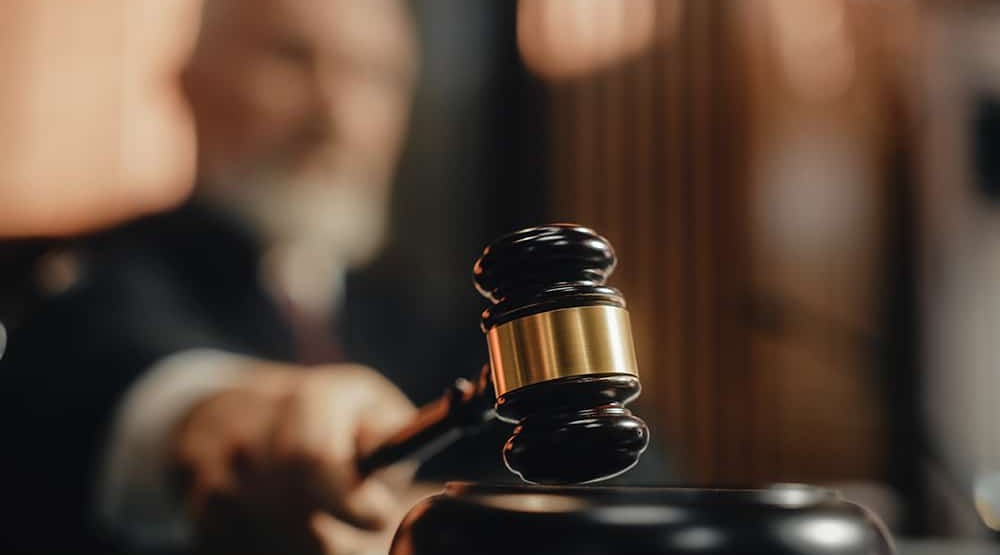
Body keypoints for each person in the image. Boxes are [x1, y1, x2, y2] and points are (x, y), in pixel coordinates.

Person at [0, 1, 462, 554]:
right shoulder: (78, 274)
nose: (337, 113)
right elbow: (93, 363)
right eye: (294, 58)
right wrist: (229, 426)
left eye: (376, 76)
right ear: (189, 84)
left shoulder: (429, 321)